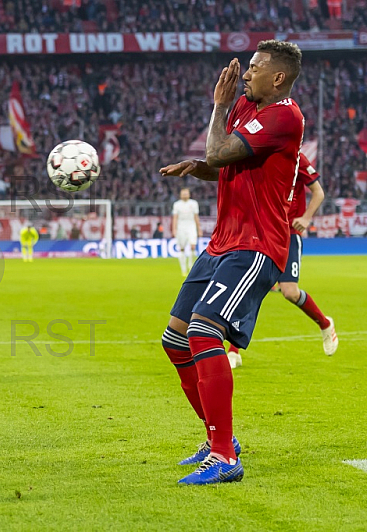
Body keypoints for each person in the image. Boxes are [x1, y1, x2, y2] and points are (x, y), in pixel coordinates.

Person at [158, 41, 304, 484]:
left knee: (204, 330)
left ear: (277, 77)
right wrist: (199, 167)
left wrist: (217, 108)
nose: (246, 74)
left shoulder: (284, 115)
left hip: (257, 245)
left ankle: (224, 457)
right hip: (223, 242)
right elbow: (224, 164)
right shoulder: (247, 105)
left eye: (255, 67)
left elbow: (221, 151)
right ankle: (218, 438)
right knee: (175, 339)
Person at [227, 153, 338, 369]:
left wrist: (306, 218)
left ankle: (325, 324)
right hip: (265, 233)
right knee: (250, 288)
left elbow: (318, 192)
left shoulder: (298, 159)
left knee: (290, 292)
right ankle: (234, 350)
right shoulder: (262, 157)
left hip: (289, 234)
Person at [172, 188, 202, 276]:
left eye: (186, 193)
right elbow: (175, 218)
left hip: (191, 226)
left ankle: (190, 265)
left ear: (189, 194)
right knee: (181, 248)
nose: (185, 195)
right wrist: (174, 229)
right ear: (180, 195)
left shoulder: (194, 203)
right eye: (183, 193)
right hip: (181, 227)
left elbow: (196, 217)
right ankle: (183, 268)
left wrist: (199, 229)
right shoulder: (177, 204)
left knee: (193, 246)